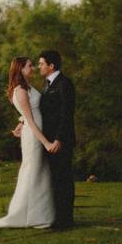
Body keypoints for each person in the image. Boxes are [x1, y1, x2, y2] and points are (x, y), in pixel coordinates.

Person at [0, 57, 55, 228]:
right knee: (32, 171)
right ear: (21, 69)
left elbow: (28, 114)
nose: (33, 68)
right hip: (34, 136)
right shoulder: (19, 91)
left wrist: (20, 122)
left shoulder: (28, 87)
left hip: (36, 130)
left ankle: (40, 214)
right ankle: (26, 215)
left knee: (39, 172)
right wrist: (45, 142)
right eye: (30, 66)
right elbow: (31, 120)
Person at [35, 50, 76, 229]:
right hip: (49, 140)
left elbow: (67, 115)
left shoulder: (64, 84)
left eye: (41, 64)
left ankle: (65, 219)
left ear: (51, 66)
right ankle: (57, 216)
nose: (39, 67)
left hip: (61, 140)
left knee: (63, 178)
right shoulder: (47, 84)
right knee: (54, 179)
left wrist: (59, 139)